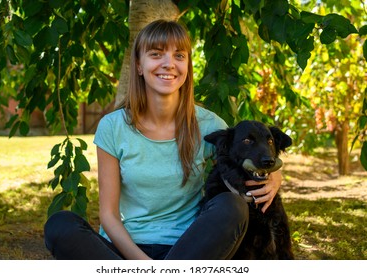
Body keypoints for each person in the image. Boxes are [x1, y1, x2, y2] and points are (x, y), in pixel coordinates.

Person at [44, 19, 283, 260]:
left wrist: (276, 176)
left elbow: (250, 157)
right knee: (60, 225)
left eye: (179, 56)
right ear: (139, 65)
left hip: (191, 248)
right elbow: (108, 216)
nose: (169, 64)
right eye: (157, 54)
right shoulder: (113, 127)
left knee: (232, 208)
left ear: (187, 65)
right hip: (125, 252)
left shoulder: (209, 125)